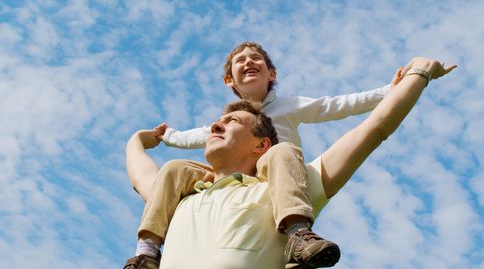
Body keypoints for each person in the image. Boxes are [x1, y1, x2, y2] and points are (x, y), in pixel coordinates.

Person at [125, 57, 455, 268]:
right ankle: (146, 253)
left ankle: (298, 234)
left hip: (284, 192)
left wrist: (417, 72)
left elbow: (370, 126)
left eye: (232, 122)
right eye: (239, 61)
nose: (215, 126)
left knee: (284, 156)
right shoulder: (180, 198)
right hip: (221, 183)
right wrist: (143, 139)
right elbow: (142, 168)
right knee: (173, 168)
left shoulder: (278, 188)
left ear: (260, 143)